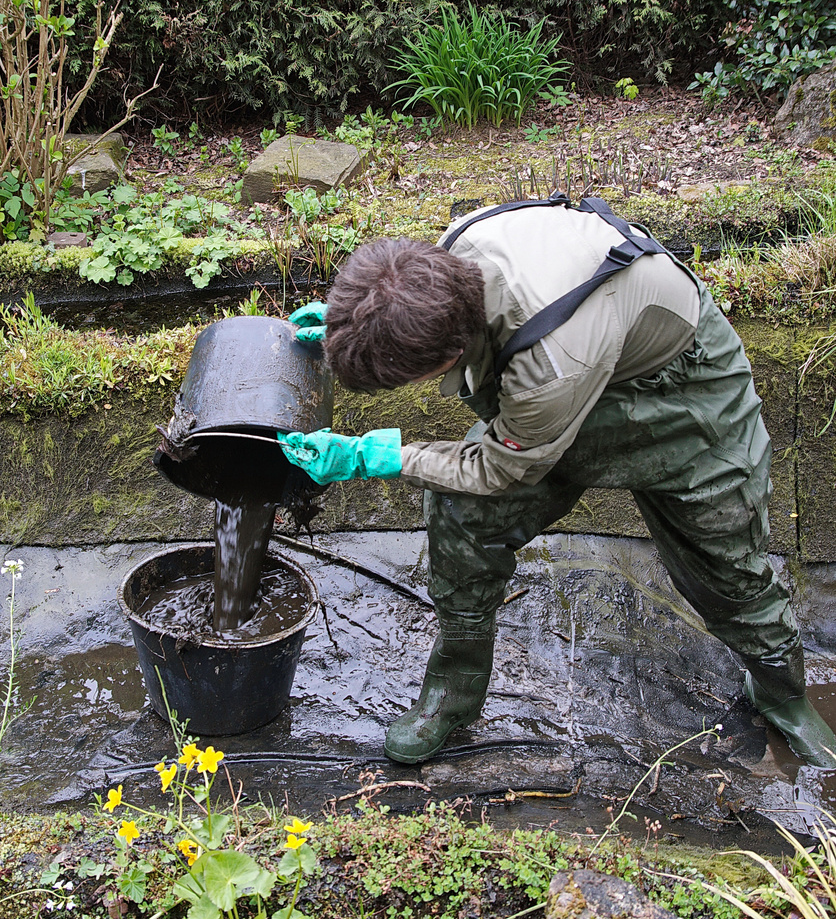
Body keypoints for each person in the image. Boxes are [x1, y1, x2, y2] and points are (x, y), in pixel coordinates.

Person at [277, 195, 836, 769]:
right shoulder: (444, 263)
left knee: (725, 555)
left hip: (681, 396)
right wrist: (352, 328)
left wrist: (382, 457)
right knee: (463, 513)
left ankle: (781, 690)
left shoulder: (547, 367)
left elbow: (500, 468)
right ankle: (454, 694)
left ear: (446, 353)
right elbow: (414, 314)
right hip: (571, 365)